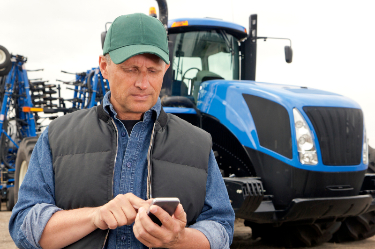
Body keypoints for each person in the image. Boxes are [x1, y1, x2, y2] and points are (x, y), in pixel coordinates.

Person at [9, 13, 235, 249]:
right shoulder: (57, 137)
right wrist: (95, 217)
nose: (143, 83)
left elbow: (221, 227)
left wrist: (179, 238)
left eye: (153, 71)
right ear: (104, 66)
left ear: (166, 68)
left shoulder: (197, 144)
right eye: (131, 69)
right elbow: (24, 226)